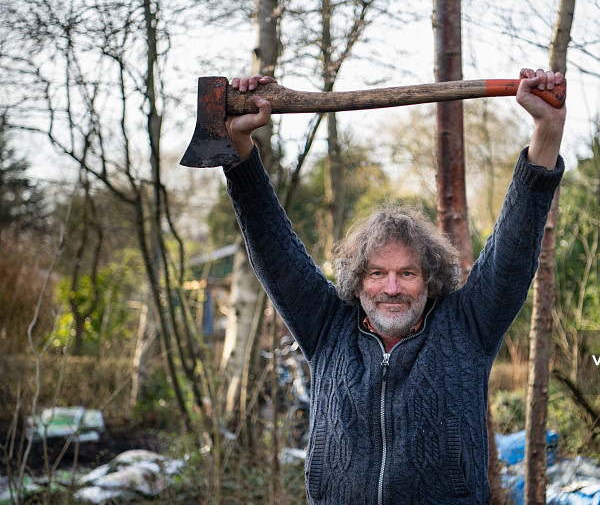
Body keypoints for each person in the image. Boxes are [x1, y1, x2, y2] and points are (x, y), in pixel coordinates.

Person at [223, 68, 566, 504]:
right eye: (376, 273)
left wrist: (547, 133)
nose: (392, 288)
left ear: (429, 279)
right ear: (357, 281)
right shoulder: (327, 329)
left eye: (407, 273)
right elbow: (274, 250)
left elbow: (513, 251)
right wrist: (239, 152)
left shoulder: (467, 329)